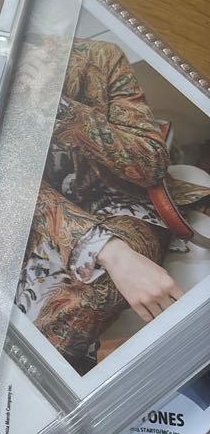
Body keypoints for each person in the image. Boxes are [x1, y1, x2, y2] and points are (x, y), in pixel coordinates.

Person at [16, 39, 210, 372]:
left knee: (92, 290)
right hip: (26, 222)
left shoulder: (98, 57)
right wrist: (103, 247)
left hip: (118, 203)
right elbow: (9, 186)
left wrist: (59, 107)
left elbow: (149, 164)